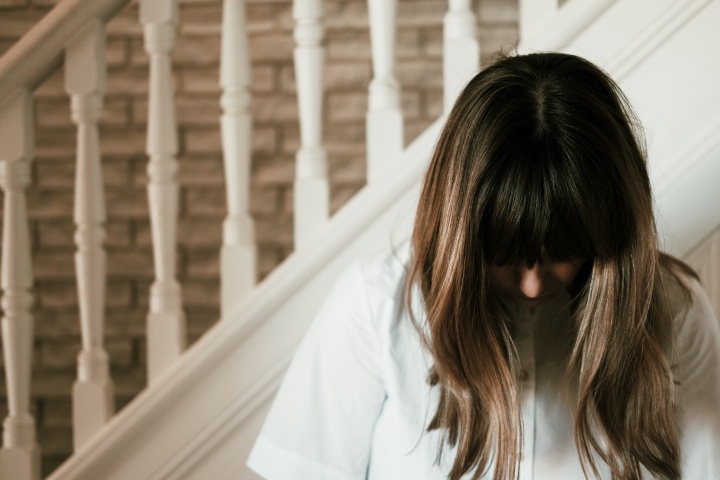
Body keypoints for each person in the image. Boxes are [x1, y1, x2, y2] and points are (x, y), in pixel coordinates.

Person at [246, 52, 720, 480]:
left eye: (565, 253)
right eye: (505, 258)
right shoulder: (375, 305)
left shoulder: (675, 310)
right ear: (461, 234)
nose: (534, 285)